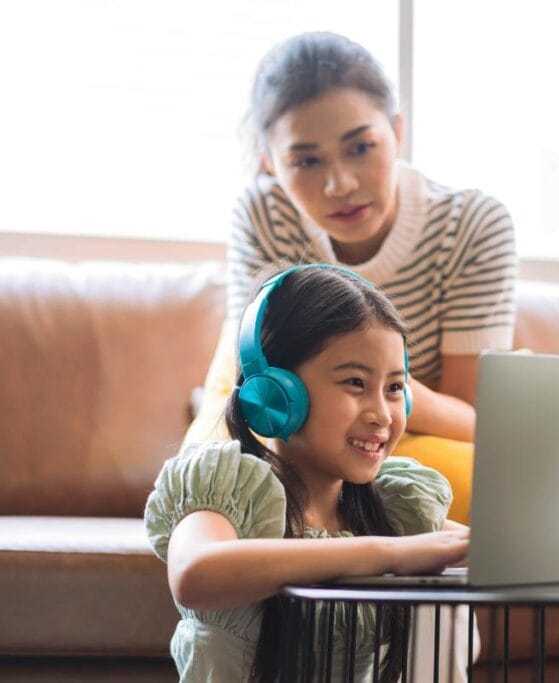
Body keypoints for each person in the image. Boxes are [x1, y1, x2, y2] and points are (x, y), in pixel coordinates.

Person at [184, 32, 517, 523]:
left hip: (421, 419)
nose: (340, 184)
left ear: (397, 132)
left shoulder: (471, 225)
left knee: (493, 472)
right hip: (294, 418)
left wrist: (380, 389)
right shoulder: (263, 212)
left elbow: (472, 418)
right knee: (218, 471)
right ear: (269, 163)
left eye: (361, 147)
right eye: (306, 161)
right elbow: (263, 393)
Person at [145, 265, 470, 682]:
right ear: (277, 394)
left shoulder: (392, 506)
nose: (382, 415)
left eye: (393, 389)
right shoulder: (227, 488)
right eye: (355, 382)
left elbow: (471, 547)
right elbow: (194, 574)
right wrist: (389, 552)